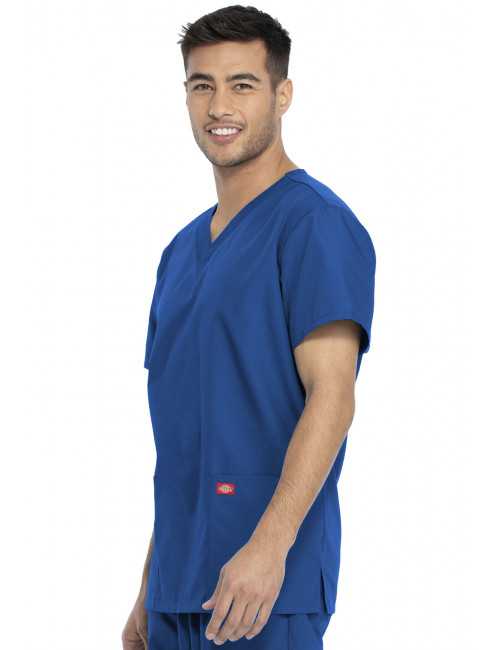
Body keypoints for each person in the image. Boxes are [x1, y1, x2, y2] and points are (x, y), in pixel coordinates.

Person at [122, 5, 376, 649]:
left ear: (282, 95)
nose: (219, 107)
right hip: (177, 588)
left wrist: (269, 548)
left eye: (242, 84)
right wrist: (150, 583)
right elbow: (186, 436)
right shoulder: (180, 252)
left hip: (266, 590)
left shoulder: (314, 225)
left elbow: (333, 396)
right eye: (201, 85)